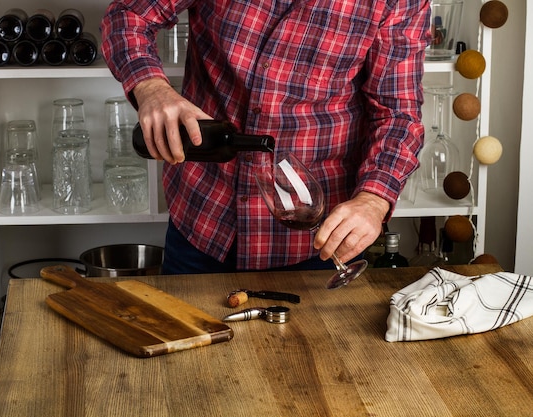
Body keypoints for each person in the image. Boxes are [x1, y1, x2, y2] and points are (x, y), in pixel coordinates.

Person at [101, 0, 431, 274]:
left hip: (320, 242)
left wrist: (374, 199)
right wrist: (151, 87)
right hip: (203, 221)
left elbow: (398, 112)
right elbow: (129, 14)